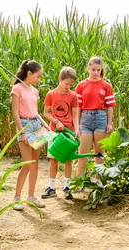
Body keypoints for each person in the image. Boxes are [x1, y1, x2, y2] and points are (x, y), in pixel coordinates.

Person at [11, 60, 49, 211]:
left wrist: (44, 123)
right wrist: (21, 132)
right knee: (26, 164)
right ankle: (17, 198)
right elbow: (15, 113)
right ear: (29, 73)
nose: (39, 79)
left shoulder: (34, 91)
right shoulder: (17, 88)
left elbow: (35, 111)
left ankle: (31, 197)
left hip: (36, 125)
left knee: (35, 164)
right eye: (38, 76)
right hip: (24, 126)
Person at [42, 66, 79, 199]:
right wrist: (56, 121)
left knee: (68, 160)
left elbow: (75, 114)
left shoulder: (73, 96)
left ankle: (67, 187)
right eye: (66, 83)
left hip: (69, 132)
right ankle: (51, 188)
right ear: (60, 79)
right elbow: (46, 113)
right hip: (54, 131)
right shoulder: (51, 94)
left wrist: (77, 128)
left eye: (71, 84)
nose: (68, 86)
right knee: (53, 160)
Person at [75, 56, 116, 176]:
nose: (96, 72)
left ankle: (98, 180)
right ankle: (81, 180)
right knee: (83, 152)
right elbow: (78, 107)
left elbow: (110, 106)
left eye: (98, 70)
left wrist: (109, 123)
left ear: (101, 70)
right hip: (85, 119)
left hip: (101, 118)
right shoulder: (81, 85)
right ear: (88, 68)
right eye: (93, 69)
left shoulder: (106, 86)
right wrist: (77, 125)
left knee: (99, 151)